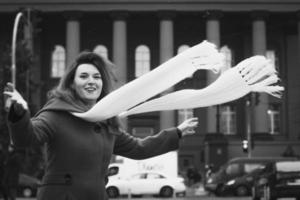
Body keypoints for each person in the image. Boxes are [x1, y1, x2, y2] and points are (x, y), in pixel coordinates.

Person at [4, 51, 199, 200]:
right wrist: (19, 113)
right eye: (84, 76)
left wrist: (176, 133)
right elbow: (26, 139)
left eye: (96, 77)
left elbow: (139, 148)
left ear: (102, 84)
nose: (91, 82)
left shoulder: (106, 122)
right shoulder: (57, 114)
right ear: (72, 83)